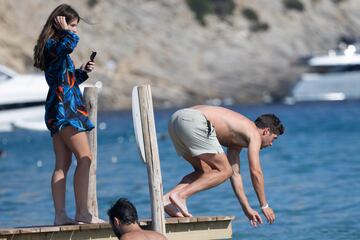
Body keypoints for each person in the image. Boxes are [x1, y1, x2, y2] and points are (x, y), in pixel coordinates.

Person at [33, 4, 103, 225]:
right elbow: (70, 44)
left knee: (63, 163)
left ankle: (60, 215)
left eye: (75, 26)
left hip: (60, 106)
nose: (75, 30)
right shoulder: (53, 44)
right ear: (59, 22)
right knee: (86, 157)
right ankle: (82, 212)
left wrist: (81, 72)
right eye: (72, 25)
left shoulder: (53, 46)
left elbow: (66, 81)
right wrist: (67, 31)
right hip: (65, 109)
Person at [164, 105, 284, 227]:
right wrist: (264, 205)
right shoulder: (254, 133)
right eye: (273, 139)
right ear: (266, 131)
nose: (271, 144)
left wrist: (246, 208)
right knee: (225, 170)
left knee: (205, 171)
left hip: (176, 120)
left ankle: (168, 199)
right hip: (193, 120)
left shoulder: (238, 138)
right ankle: (181, 195)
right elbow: (256, 172)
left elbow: (235, 174)